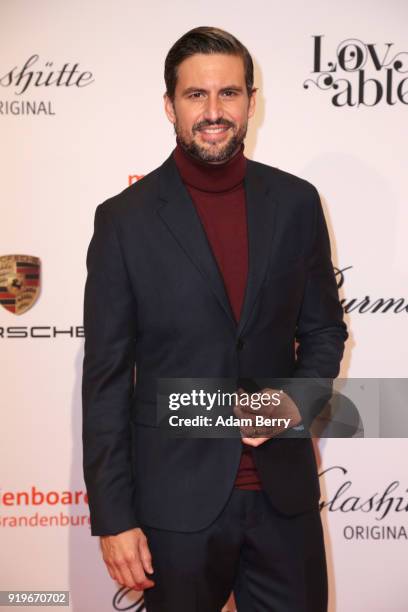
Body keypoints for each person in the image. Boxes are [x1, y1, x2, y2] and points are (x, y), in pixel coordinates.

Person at [82, 26, 348, 612]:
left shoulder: (297, 202)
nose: (213, 111)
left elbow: (325, 331)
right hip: (173, 513)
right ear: (169, 105)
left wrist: (293, 399)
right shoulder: (123, 222)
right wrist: (114, 518)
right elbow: (104, 381)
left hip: (284, 503)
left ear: (251, 101)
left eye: (228, 94)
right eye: (195, 95)